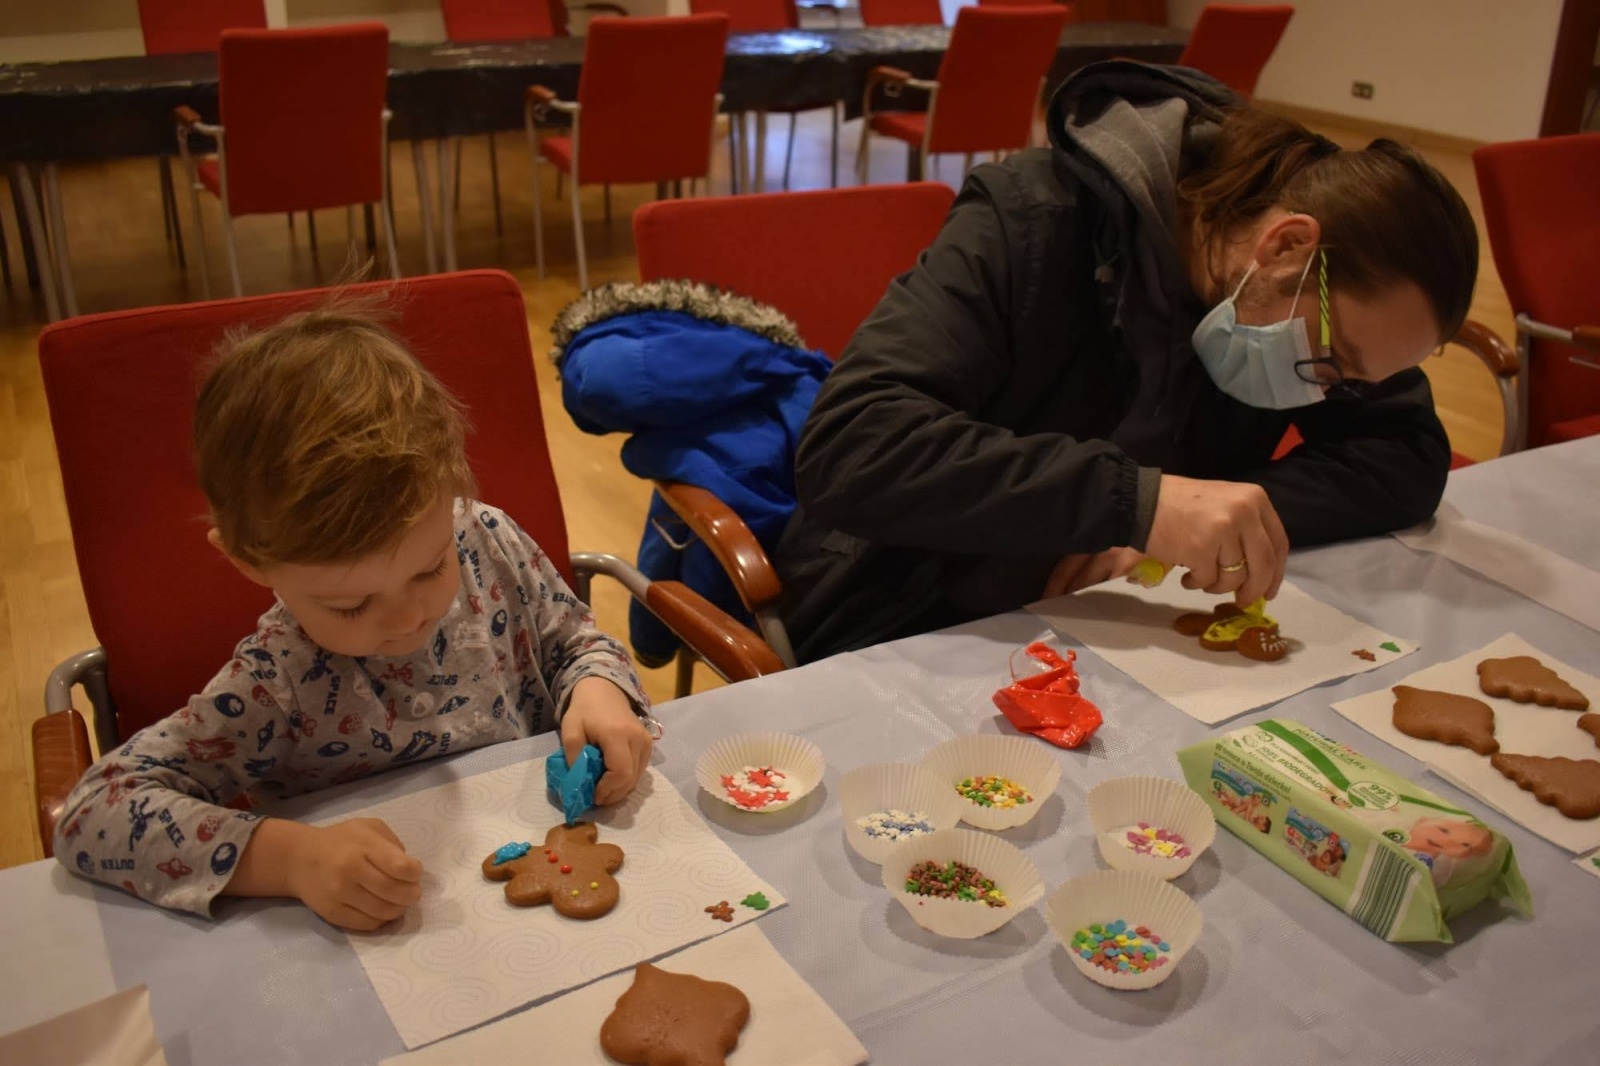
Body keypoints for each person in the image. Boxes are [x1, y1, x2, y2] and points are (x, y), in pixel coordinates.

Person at [773, 61, 1478, 663]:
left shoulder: (1336, 282)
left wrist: (1214, 521)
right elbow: (853, 445)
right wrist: (1138, 505)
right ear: (1286, 246)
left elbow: (1407, 455)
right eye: (1333, 361)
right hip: (917, 612)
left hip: (1105, 630)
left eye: (1351, 382)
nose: (1329, 392)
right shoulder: (1033, 219)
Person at [53, 308, 654, 930]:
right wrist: (288, 860)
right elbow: (93, 813)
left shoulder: (486, 537)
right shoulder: (275, 683)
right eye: (350, 604)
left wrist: (597, 686)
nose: (407, 618)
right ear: (249, 563)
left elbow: (575, 641)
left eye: (429, 569)